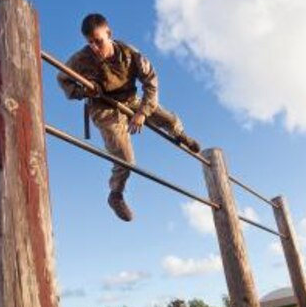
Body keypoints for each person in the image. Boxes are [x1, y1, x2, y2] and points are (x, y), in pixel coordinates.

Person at [57, 13, 201, 222]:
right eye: (91, 43)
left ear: (109, 33)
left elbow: (151, 81)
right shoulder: (81, 59)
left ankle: (180, 135)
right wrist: (84, 91)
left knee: (169, 120)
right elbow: (63, 79)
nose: (96, 48)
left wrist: (142, 112)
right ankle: (116, 194)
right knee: (126, 159)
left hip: (131, 99)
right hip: (103, 106)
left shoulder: (130, 53)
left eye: (99, 41)